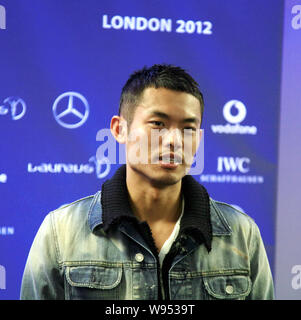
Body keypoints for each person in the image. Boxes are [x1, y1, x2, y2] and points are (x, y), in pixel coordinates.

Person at [20, 64, 274, 300]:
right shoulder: (61, 232)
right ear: (120, 130)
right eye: (158, 124)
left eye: (188, 128)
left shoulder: (241, 233)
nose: (174, 140)